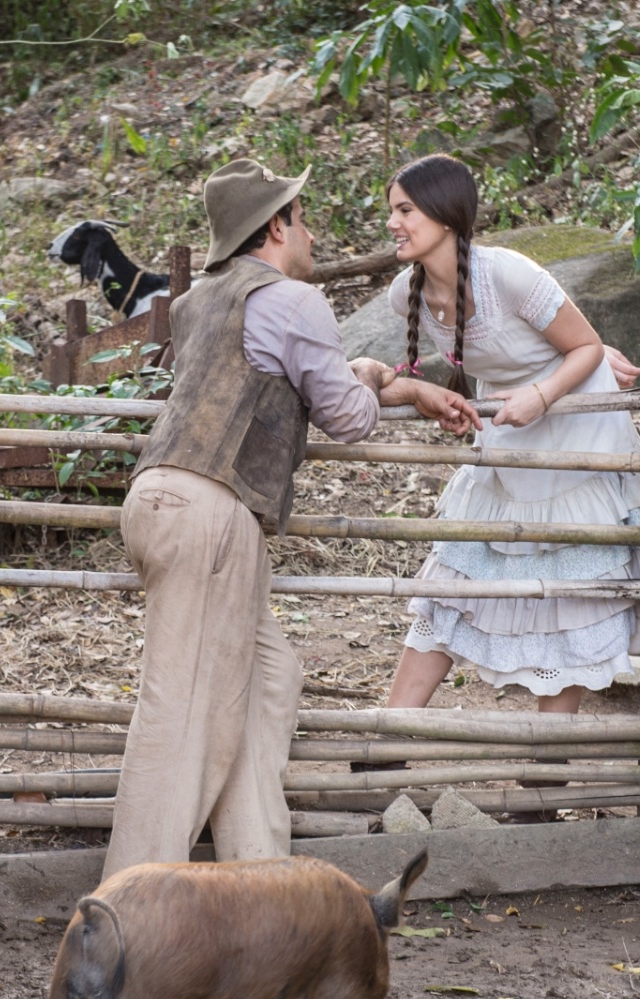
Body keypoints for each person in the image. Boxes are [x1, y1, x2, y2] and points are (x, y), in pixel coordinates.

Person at [101, 158, 481, 880]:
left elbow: (274, 383)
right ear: (276, 228)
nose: (310, 232)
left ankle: (260, 882)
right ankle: (127, 911)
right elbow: (345, 415)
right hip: (213, 509)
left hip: (164, 497)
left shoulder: (200, 301)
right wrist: (373, 379)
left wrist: (379, 379)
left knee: (270, 679)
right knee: (181, 719)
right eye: (301, 218)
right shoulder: (292, 300)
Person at [374, 154, 640, 820]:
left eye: (405, 210)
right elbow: (450, 371)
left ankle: (541, 783)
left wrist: (542, 392)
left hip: (573, 430)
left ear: (446, 214)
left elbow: (587, 348)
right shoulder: (403, 293)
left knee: (569, 595)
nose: (393, 223)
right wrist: (447, 402)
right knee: (454, 580)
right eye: (392, 210)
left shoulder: (510, 273)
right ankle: (380, 748)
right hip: (507, 436)